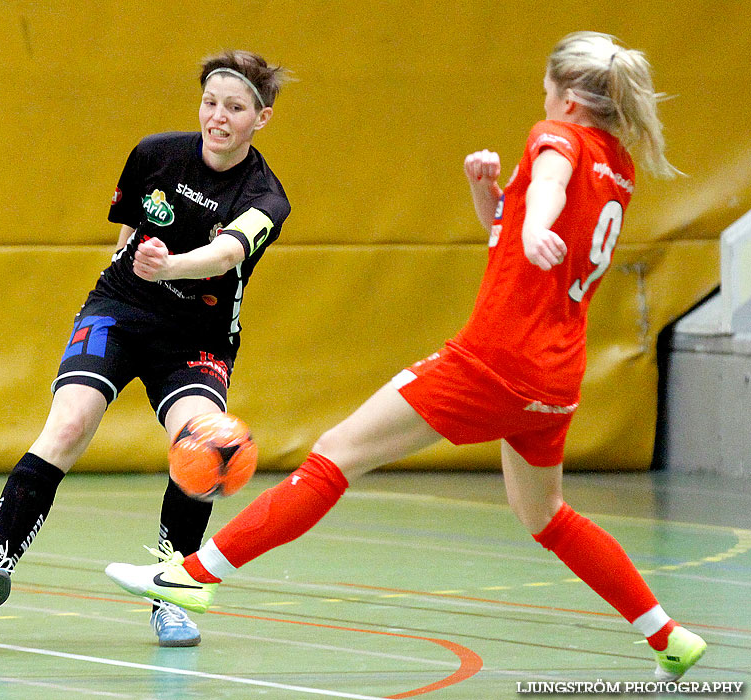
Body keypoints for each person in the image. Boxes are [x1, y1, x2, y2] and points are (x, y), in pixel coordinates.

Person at [105, 32, 706, 679]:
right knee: (547, 516)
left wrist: (536, 223)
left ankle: (193, 578)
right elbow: (514, 237)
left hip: (494, 361)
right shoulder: (619, 168)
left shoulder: (558, 138)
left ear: (565, 96)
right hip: (556, 377)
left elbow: (549, 194)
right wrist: (494, 199)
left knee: (336, 454)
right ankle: (668, 636)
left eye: (545, 92)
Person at [0, 49, 291, 647]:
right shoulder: (154, 154)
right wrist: (137, 270)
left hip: (197, 335)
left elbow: (227, 254)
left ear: (261, 118)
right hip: (119, 309)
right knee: (69, 424)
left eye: (235, 108)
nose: (218, 117)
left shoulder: (265, 195)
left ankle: (171, 593)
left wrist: (172, 267)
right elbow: (128, 232)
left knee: (205, 448)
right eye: (210, 102)